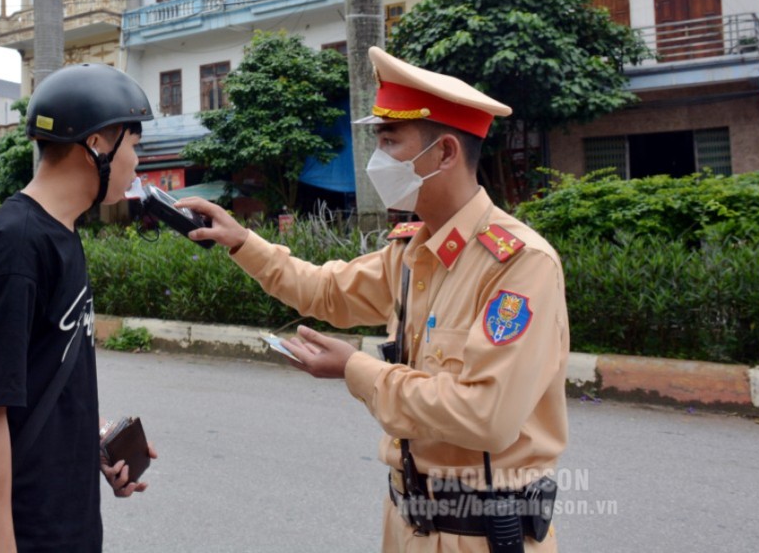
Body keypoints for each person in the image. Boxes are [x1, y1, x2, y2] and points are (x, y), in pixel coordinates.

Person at [179, 46, 569, 552]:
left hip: (482, 537)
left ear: (446, 153)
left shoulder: (519, 264)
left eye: (389, 142)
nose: (376, 160)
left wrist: (355, 369)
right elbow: (325, 290)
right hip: (405, 525)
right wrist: (241, 242)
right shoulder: (412, 251)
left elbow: (486, 416)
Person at [0, 64, 158, 552]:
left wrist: (97, 443)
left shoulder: (61, 234)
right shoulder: (16, 246)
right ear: (98, 144)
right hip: (28, 532)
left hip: (69, 523)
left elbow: (42, 377)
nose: (136, 163)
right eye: (134, 145)